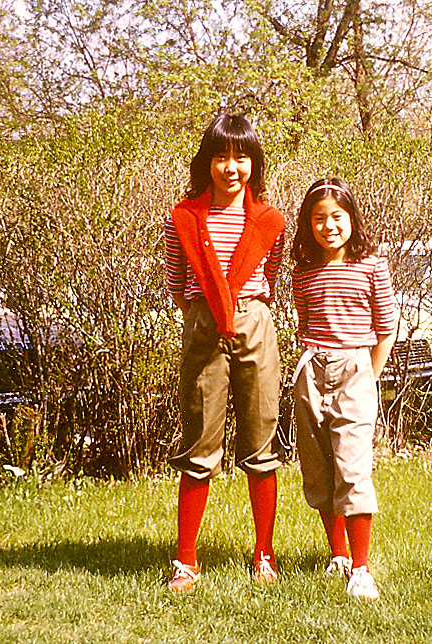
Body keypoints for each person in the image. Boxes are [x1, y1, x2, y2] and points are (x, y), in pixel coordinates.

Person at [164, 113, 286, 591]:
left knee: (261, 440)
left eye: (241, 156)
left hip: (255, 323)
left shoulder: (270, 220)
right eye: (220, 156)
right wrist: (208, 313)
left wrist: (242, 308)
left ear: (254, 163)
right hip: (203, 326)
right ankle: (186, 560)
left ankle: (264, 554)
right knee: (198, 443)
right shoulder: (184, 218)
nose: (230, 167)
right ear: (206, 162)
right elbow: (177, 284)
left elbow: (270, 277)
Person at [290, 177, 398, 599]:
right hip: (311, 369)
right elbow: (304, 322)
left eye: (337, 216)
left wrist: (369, 375)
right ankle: (338, 554)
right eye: (318, 218)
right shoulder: (304, 272)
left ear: (352, 218)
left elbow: (386, 328)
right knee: (320, 470)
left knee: (352, 469)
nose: (328, 226)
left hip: (355, 369)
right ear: (308, 224)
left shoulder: (371, 265)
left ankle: (361, 568)